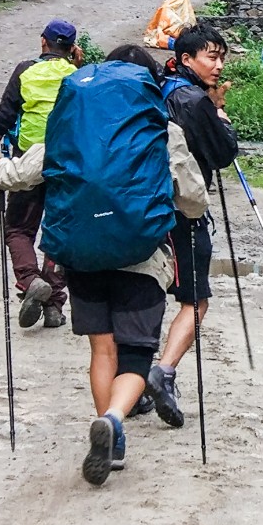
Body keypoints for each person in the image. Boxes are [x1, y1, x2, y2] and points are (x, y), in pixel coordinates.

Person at [67, 45, 207, 484]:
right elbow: (192, 200)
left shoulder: (75, 126)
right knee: (134, 355)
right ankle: (112, 420)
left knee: (101, 348)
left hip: (83, 255)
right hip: (141, 257)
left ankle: (113, 438)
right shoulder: (160, 130)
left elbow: (32, 170)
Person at [146, 23, 239, 427]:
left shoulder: (157, 87)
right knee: (196, 299)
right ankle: (162, 372)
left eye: (221, 57)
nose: (218, 65)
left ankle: (131, 381)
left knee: (146, 292)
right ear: (187, 59)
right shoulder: (194, 101)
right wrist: (220, 115)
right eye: (211, 57)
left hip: (144, 205)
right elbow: (222, 153)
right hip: (184, 212)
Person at [0, 19, 81, 330]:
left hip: (28, 162)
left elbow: (3, 118)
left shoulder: (25, 70)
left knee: (19, 229)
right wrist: (79, 65)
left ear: (43, 43)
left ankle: (30, 280)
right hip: (69, 162)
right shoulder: (79, 77)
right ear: (72, 48)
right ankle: (53, 306)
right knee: (59, 233)